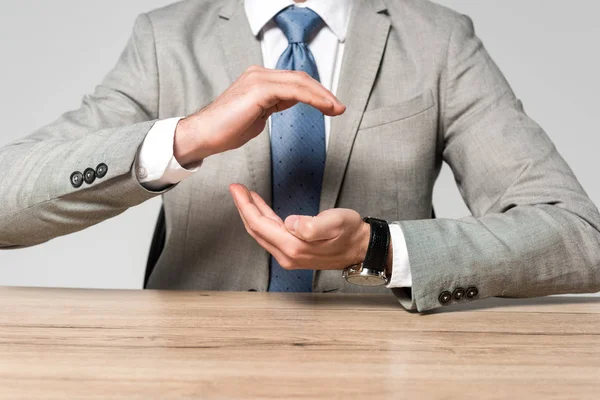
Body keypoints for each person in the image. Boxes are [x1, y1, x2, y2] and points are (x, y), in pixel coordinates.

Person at [0, 0, 599, 312]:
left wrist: (381, 248)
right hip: (187, 373)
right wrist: (184, 138)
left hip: (385, 375)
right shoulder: (164, 40)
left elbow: (578, 237)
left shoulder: (439, 42)